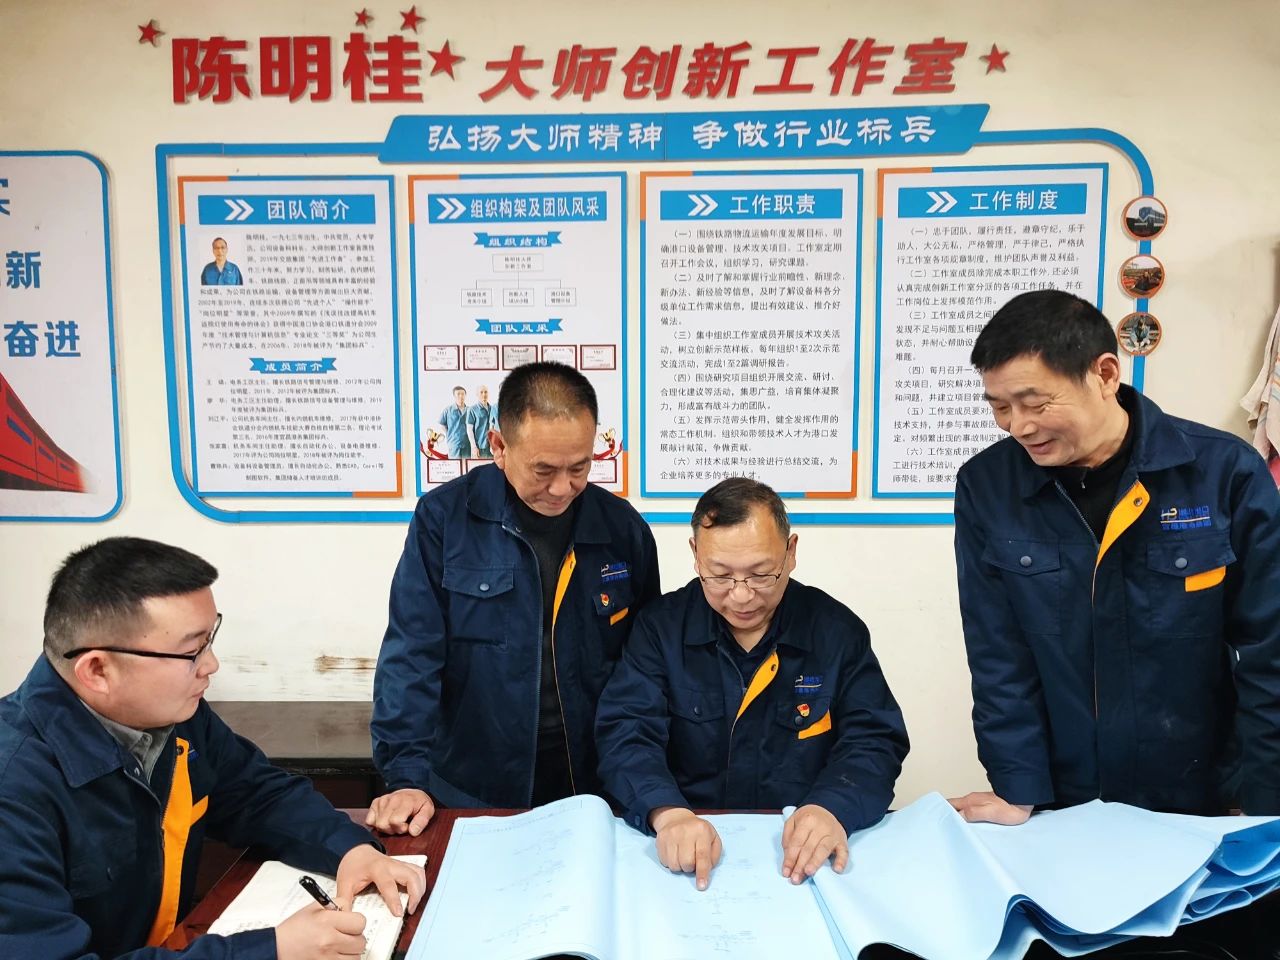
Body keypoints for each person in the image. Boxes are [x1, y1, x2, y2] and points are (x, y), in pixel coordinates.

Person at [0, 537, 425, 960]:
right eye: (191, 651)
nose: (211, 665)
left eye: (209, 640)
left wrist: (350, 850)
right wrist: (271, 951)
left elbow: (258, 795)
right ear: (97, 670)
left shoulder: (173, 717)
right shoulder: (14, 789)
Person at [950, 289, 1280, 829]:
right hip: (1064, 799)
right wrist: (1018, 786)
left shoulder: (1224, 474)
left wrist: (1265, 805)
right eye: (1000, 407)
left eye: (1035, 403)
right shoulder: (988, 486)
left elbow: (1269, 652)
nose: (1017, 426)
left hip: (1207, 796)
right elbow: (997, 653)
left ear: (1104, 374)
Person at [369, 361, 660, 836]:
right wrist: (405, 777)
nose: (562, 488)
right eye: (543, 469)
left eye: (579, 467)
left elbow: (647, 667)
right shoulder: (444, 520)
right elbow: (412, 654)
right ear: (499, 447)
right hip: (472, 783)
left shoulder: (621, 529)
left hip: (594, 782)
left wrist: (646, 780)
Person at [596, 477, 909, 890]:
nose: (741, 596)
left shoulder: (835, 632)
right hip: (686, 851)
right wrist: (666, 812)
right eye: (720, 575)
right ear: (695, 555)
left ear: (790, 553)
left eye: (761, 575)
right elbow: (626, 732)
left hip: (797, 857)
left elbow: (875, 739)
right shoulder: (660, 630)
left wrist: (832, 808)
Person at [437, 385, 470, 459]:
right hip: (454, 444)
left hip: (467, 444)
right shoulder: (448, 410)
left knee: (467, 464)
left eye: (463, 394)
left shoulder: (470, 410)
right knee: (455, 464)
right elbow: (441, 424)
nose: (461, 396)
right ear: (454, 396)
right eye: (458, 394)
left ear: (465, 395)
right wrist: (449, 434)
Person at [466, 384, 496, 458]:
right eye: (481, 392)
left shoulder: (492, 408)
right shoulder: (472, 410)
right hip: (479, 448)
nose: (484, 394)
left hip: (491, 448)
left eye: (486, 392)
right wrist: (474, 447)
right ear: (477, 394)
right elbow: (469, 430)